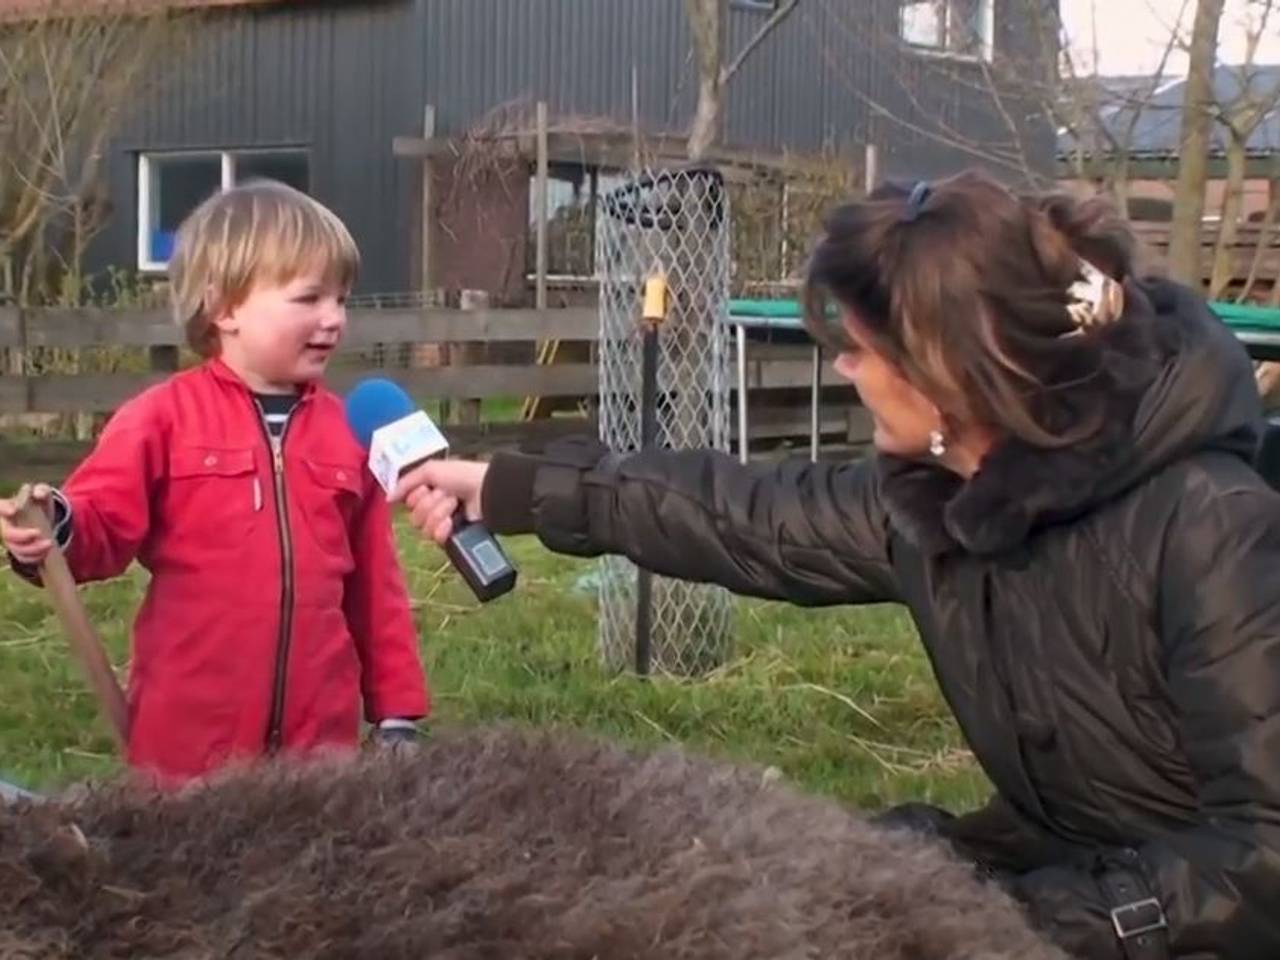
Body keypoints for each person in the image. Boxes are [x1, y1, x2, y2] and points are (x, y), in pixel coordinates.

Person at [391, 170, 1280, 959]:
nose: (845, 367)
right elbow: (743, 517)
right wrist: (505, 488)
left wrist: (1016, 923)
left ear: (948, 373)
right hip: (1059, 863)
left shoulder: (1213, 525)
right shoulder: (941, 497)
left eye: (862, 349)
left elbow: (1263, 861)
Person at [0, 180, 429, 786]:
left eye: (342, 298)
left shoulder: (349, 436)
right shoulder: (162, 419)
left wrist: (397, 713)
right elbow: (100, 524)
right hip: (187, 755)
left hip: (320, 756)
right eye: (309, 297)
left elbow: (377, 590)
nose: (334, 318)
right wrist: (59, 526)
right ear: (224, 307)